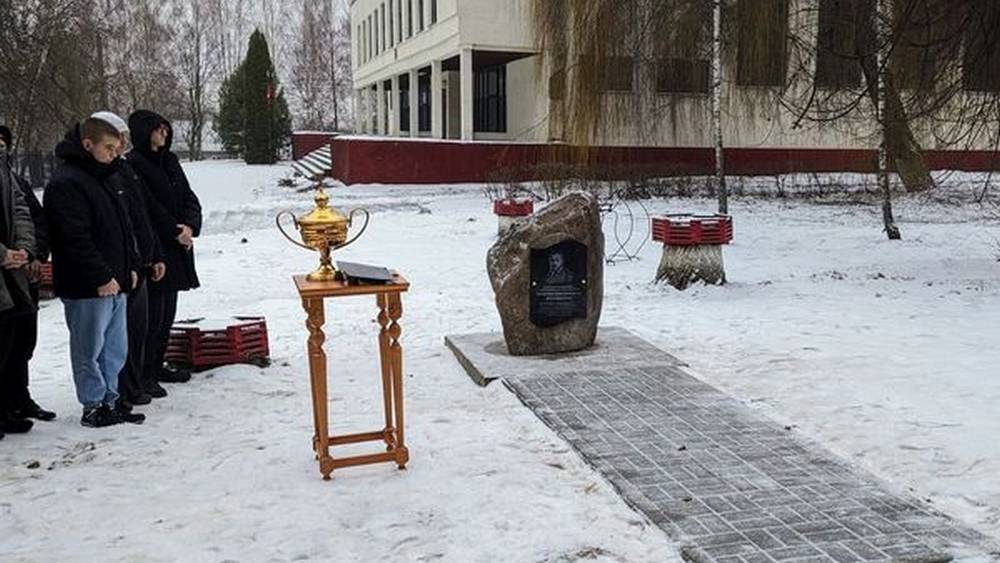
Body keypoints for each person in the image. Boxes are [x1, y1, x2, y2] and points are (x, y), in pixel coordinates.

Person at [44, 118, 145, 427]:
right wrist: (100, 276)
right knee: (89, 349)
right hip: (88, 285)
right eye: (109, 148)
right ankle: (93, 404)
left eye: (117, 148)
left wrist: (130, 267)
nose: (115, 154)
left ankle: (111, 399)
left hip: (117, 282)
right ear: (88, 145)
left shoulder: (106, 178)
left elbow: (123, 229)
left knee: (115, 349)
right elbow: (74, 239)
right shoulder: (66, 183)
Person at [90, 112, 169, 407]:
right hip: (117, 267)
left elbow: (141, 214)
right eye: (115, 140)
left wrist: (154, 254)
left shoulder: (124, 170)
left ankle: (133, 384)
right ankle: (118, 389)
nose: (121, 146)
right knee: (115, 337)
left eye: (122, 139)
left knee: (138, 330)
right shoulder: (102, 174)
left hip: (138, 262)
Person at [127, 110, 202, 385]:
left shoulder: (169, 160)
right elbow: (147, 206)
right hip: (157, 245)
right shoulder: (134, 163)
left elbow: (188, 196)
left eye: (165, 129)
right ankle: (145, 372)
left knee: (168, 312)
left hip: (178, 244)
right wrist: (174, 231)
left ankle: (157, 364)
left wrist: (190, 226)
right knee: (152, 315)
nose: (164, 134)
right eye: (159, 130)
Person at [0, 125, 56, 424]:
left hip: (20, 275)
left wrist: (31, 253)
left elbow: (34, 218)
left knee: (22, 342)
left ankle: (18, 399)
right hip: (4, 270)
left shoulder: (13, 180)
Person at [0, 143, 37, 438]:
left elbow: (21, 208)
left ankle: (7, 409)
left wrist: (23, 248)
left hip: (12, 271)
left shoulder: (4, 169)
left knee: (12, 342)